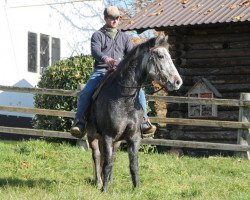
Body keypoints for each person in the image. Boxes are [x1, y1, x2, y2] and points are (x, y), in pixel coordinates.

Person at [70, 6, 156, 138]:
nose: (115, 20)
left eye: (117, 18)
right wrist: (105, 58)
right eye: (112, 18)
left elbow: (131, 54)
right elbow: (95, 51)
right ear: (105, 19)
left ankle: (144, 122)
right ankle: (80, 122)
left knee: (140, 92)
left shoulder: (124, 37)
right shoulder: (97, 35)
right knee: (86, 91)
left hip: (120, 73)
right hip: (102, 70)